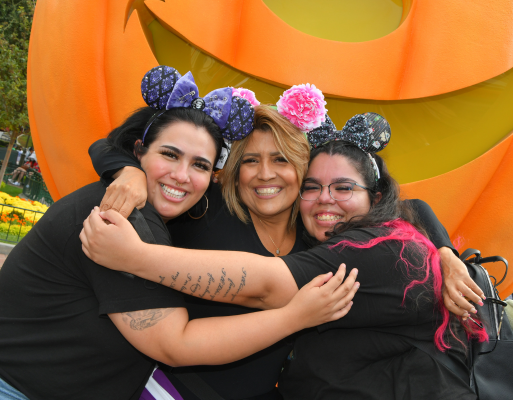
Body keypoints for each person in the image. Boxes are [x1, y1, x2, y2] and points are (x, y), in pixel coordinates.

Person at [0, 66, 357, 400]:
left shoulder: (187, 210)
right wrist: (295, 316)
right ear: (139, 152)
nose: (182, 176)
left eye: (200, 165)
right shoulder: (120, 216)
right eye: (169, 155)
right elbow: (174, 342)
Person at [88, 88, 483, 399]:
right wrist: (128, 172)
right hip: (177, 390)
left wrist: (444, 252)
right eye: (250, 161)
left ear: (299, 168)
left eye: (281, 160)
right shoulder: (204, 207)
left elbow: (410, 207)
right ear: (233, 172)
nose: (265, 175)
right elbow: (114, 145)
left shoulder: (314, 231)